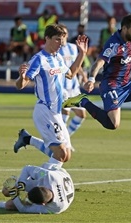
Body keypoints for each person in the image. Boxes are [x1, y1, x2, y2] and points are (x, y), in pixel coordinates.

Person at [13, 24, 88, 163]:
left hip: (56, 112)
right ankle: (31, 177)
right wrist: (21, 77)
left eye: (62, 39)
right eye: (57, 39)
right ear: (47, 38)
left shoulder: (58, 58)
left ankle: (27, 139)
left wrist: (82, 54)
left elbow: (71, 74)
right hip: (45, 111)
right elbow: (21, 85)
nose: (60, 43)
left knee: (66, 156)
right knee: (60, 154)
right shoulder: (38, 59)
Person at [0, 157, 74, 214]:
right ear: (40, 186)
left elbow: (24, 209)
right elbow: (27, 168)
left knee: (9, 205)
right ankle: (16, 181)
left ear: (43, 204)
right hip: (54, 172)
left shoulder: (55, 208)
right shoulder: (47, 176)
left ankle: (12, 193)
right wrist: (21, 184)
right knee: (5, 191)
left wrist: (14, 194)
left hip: (58, 186)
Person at [59, 24, 87, 139]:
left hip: (74, 87)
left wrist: (84, 77)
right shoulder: (56, 50)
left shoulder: (73, 47)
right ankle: (61, 141)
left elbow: (77, 65)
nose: (63, 36)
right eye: (61, 34)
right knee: (65, 113)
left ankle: (66, 138)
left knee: (81, 114)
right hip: (62, 87)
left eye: (64, 33)